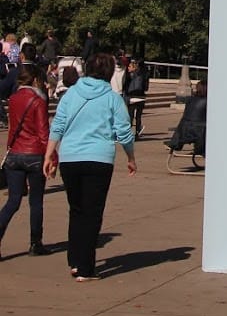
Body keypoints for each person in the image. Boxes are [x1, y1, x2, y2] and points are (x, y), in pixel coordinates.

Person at [43, 52, 136, 281]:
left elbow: (58, 125)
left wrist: (49, 154)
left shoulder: (71, 93)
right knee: (92, 213)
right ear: (108, 72)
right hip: (99, 159)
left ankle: (75, 260)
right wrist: (130, 157)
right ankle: (85, 267)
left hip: (71, 158)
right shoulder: (112, 98)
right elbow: (123, 131)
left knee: (76, 210)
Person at [0, 62, 50, 257]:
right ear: (35, 79)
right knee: (36, 201)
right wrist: (52, 157)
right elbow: (43, 133)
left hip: (15, 155)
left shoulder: (13, 99)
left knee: (13, 201)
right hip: (34, 154)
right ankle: (35, 243)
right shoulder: (38, 101)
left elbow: (13, 129)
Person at [166, 80, 207, 156]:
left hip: (184, 132)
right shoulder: (206, 101)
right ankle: (201, 150)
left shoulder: (191, 99)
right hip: (199, 133)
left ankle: (175, 144)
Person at [123, 58, 149, 136]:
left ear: (134, 67)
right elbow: (146, 87)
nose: (128, 68)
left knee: (130, 115)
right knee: (138, 115)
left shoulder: (129, 75)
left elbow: (125, 86)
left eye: (129, 67)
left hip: (131, 95)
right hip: (141, 96)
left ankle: (128, 132)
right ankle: (138, 130)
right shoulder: (145, 75)